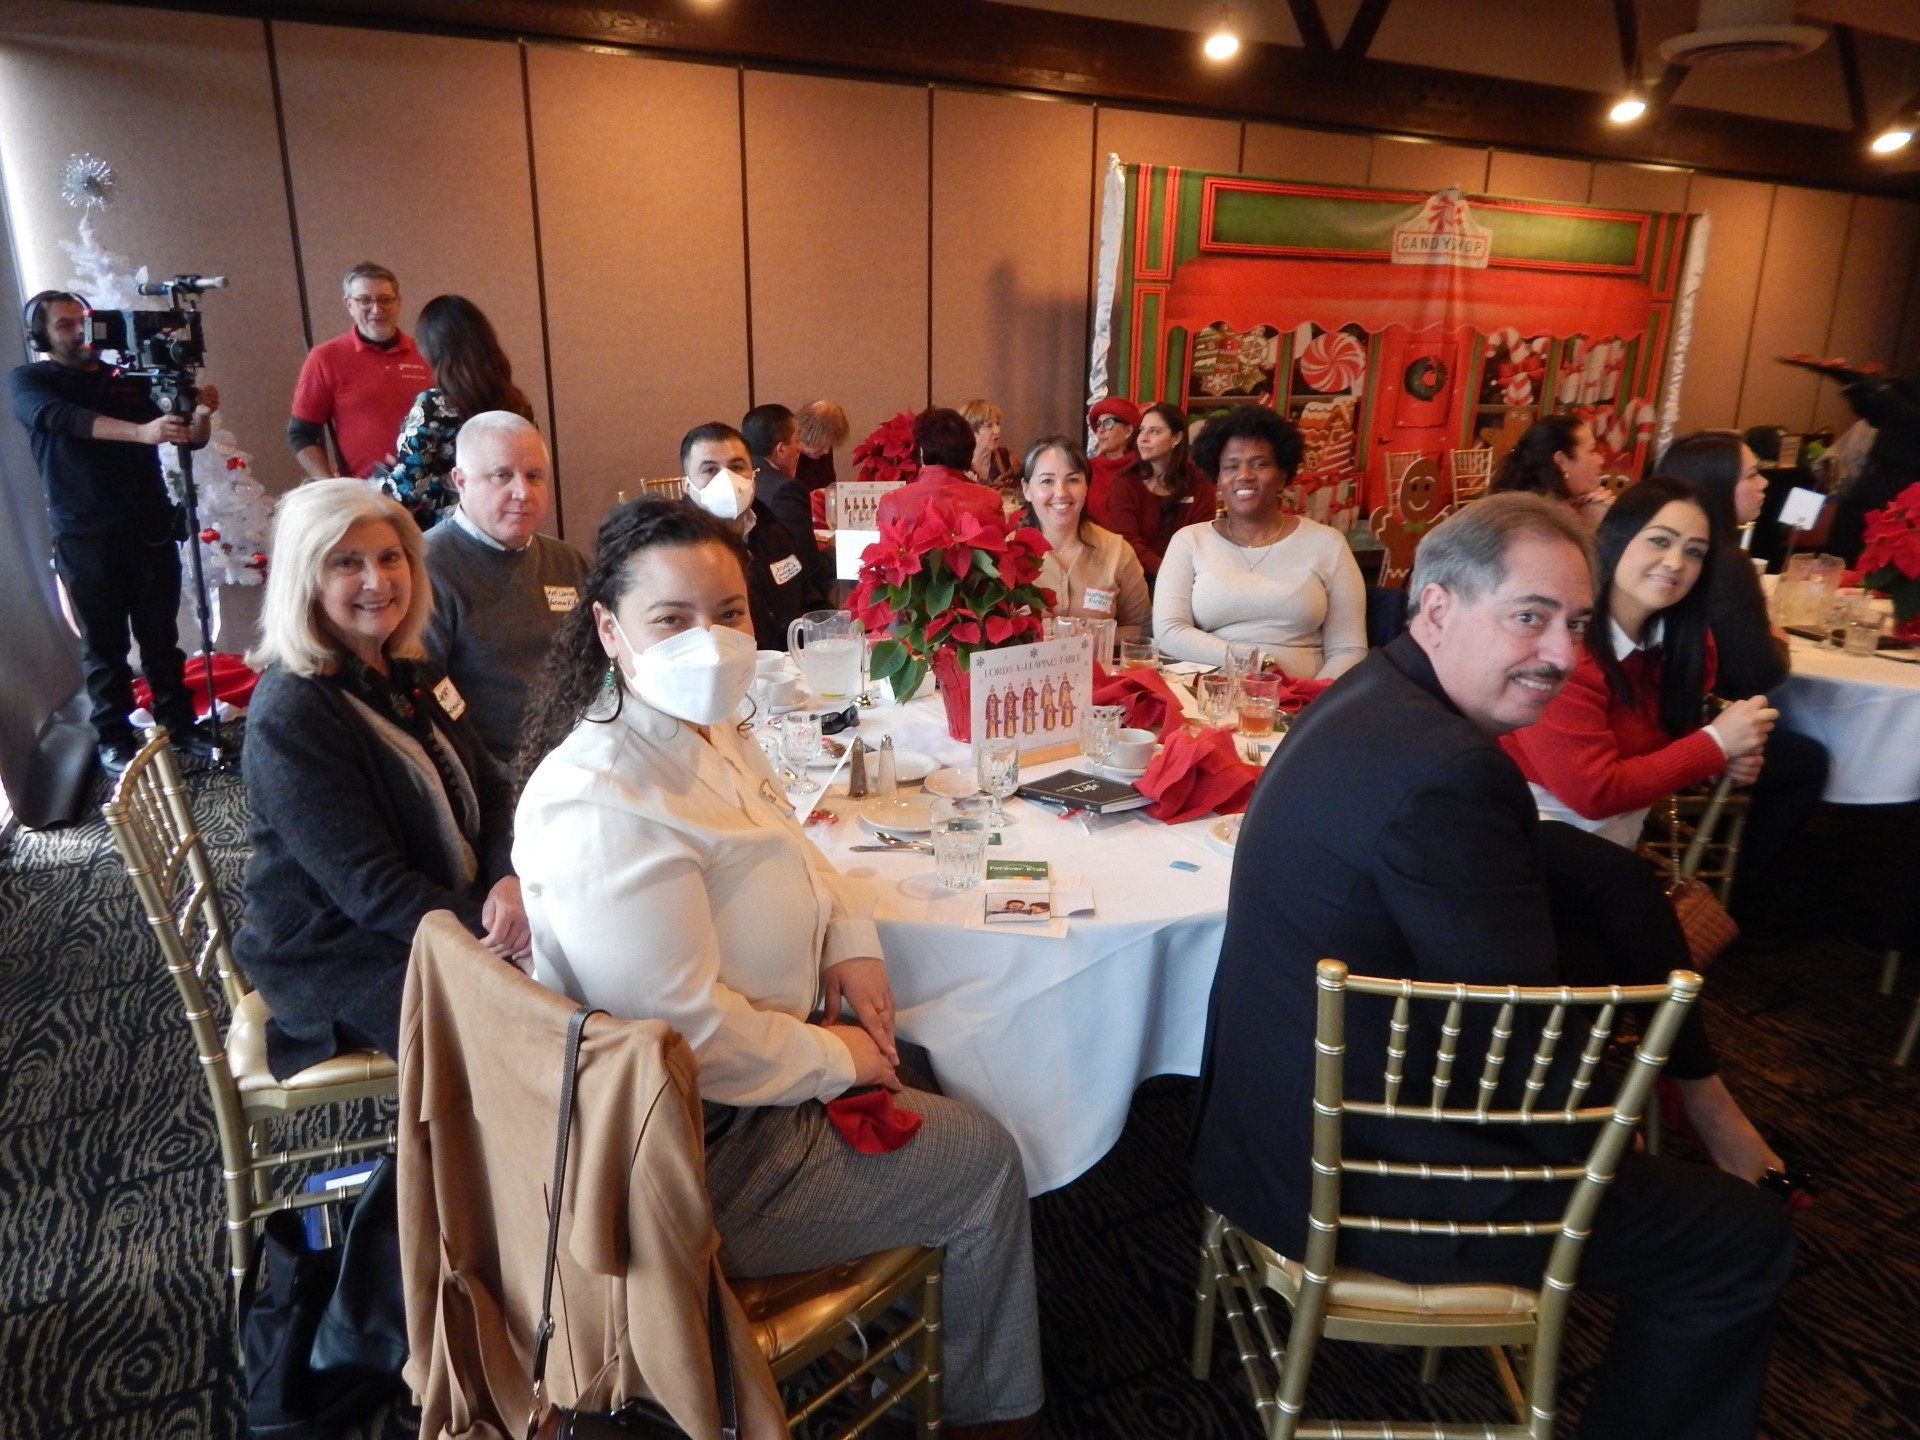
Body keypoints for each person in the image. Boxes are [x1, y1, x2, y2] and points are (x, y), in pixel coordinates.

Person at [1190, 493, 1794, 1440]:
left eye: (1578, 624)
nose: (1563, 653)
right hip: (1344, 1175)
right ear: (1436, 608)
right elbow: (1524, 1075)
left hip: (1259, 1112)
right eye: (1531, 616)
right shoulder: (1449, 772)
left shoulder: (1372, 696)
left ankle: (1711, 1106)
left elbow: (1555, 881)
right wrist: (1615, 1136)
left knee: (1604, 877)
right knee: (1739, 1237)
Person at [512, 500, 1043, 1438]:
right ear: (608, 630)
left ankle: (928, 1339)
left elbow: (795, 846)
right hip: (693, 1152)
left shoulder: (708, 726)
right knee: (987, 1158)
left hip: (756, 1082)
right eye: (671, 621)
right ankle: (989, 1414)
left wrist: (852, 940)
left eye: (727, 614)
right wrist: (839, 1057)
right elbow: (687, 1044)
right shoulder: (602, 800)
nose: (708, 643)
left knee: (932, 1058)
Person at [238, 480, 525, 1077]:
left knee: (590, 963)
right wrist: (491, 937)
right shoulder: (293, 713)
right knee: (534, 1034)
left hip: (442, 903)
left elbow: (492, 786)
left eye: (390, 557)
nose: (379, 581)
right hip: (344, 948)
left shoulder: (411, 665)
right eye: (348, 563)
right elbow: (371, 890)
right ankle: (471, 1164)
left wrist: (507, 881)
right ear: (306, 579)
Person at [9, 290, 221, 772]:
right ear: (40, 334)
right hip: (85, 535)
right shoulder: (31, 380)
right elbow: (61, 419)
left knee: (161, 638)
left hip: (148, 528)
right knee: (104, 647)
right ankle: (114, 738)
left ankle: (180, 726)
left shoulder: (127, 379)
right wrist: (139, 433)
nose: (78, 332)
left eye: (83, 321)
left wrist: (201, 412)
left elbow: (186, 437)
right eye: (64, 325)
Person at [1656, 432, 1830, 929]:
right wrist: (1776, 638)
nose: (1764, 485)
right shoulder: (1722, 558)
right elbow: (1761, 671)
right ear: (1716, 485)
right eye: (1751, 475)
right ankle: (1746, 898)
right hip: (1689, 724)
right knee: (1807, 759)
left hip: (1664, 706)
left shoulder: (1657, 537)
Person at [1152, 404, 1366, 679]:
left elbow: (1349, 649)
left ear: (1282, 476)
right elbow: (1170, 632)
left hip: (1305, 701)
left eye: (1259, 464)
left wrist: (1314, 703)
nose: (1244, 475)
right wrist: (1255, 662)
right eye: (1231, 466)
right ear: (1218, 479)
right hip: (1209, 695)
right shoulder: (1189, 541)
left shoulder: (1328, 544)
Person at [421, 412, 587, 765]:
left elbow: (604, 662)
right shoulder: (426, 568)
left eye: (534, 476)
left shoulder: (567, 562)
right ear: (460, 481)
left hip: (583, 756)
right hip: (493, 775)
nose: (522, 492)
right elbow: (429, 703)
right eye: (502, 475)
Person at [380, 294, 535, 530]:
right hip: (506, 523)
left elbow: (407, 490)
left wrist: (368, 492)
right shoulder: (516, 402)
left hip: (450, 532)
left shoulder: (433, 404)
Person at [682, 421, 827, 649]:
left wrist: (833, 636)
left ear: (753, 474)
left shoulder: (771, 529)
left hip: (792, 668)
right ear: (687, 486)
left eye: (737, 467)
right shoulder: (679, 550)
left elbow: (808, 598)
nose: (727, 479)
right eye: (710, 470)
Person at [287, 262, 434, 481]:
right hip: (362, 494)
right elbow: (301, 434)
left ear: (398, 303)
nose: (376, 309)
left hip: (427, 492)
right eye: (365, 300)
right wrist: (332, 486)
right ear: (349, 304)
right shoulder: (324, 358)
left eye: (385, 299)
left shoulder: (427, 353)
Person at [1020, 436, 1150, 640]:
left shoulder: (1117, 551)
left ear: (1087, 486)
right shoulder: (1006, 555)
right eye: (1047, 481)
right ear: (1026, 489)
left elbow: (1141, 628)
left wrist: (1087, 638)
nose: (1061, 492)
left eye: (1072, 480)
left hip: (1099, 669)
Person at [1105, 401, 1216, 577]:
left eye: (1154, 431)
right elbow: (1127, 542)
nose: (1143, 438)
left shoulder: (1199, 484)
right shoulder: (1126, 484)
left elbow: (1202, 540)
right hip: (1136, 578)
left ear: (1177, 438)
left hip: (1190, 576)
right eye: (1141, 430)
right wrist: (1168, 572)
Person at [1828, 358, 1920, 564]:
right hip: (1871, 480)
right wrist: (1853, 385)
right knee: (1838, 557)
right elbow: (1878, 417)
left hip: (1906, 487)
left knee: (1877, 566)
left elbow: (1910, 420)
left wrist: (1881, 391)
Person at [742, 402, 829, 593]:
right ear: (781, 449)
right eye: (796, 441)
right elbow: (808, 562)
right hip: (783, 591)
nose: (799, 448)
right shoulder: (786, 488)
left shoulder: (739, 479)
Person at [875, 407, 1006, 531]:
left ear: (921, 451)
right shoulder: (989, 500)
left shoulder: (892, 502)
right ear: (970, 450)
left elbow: (889, 552)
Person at [1490, 412, 1611, 527]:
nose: (1601, 460)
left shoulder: (1525, 505)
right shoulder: (1539, 520)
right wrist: (1595, 522)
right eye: (1591, 450)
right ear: (1561, 460)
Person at [1085, 396, 1139, 524]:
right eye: (1098, 424)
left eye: (1108, 423)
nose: (1100, 430)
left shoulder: (1142, 469)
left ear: (1128, 431)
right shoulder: (1087, 468)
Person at [793, 399, 849, 493]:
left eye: (829, 445)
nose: (826, 451)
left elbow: (828, 485)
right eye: (822, 445)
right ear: (808, 433)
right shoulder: (788, 452)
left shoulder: (823, 452)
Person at [962, 399, 1016, 489]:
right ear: (971, 431)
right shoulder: (958, 466)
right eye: (989, 426)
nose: (997, 430)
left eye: (997, 424)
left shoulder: (1007, 459)